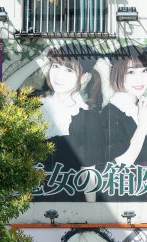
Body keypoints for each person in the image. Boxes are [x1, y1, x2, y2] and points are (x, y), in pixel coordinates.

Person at [100, 46, 147, 199]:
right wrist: (143, 124)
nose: (139, 79)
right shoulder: (111, 112)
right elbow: (123, 161)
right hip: (127, 187)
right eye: (131, 72)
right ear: (117, 75)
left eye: (144, 71)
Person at [36, 44, 103, 201]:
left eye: (69, 70)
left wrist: (90, 213)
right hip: (32, 198)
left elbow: (88, 172)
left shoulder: (88, 118)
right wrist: (38, 60)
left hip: (70, 198)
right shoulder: (36, 104)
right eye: (56, 66)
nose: (59, 75)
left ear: (84, 78)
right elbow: (3, 90)